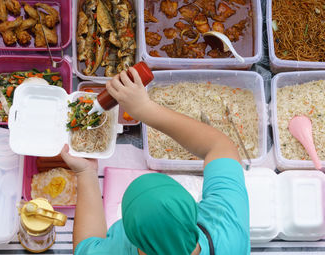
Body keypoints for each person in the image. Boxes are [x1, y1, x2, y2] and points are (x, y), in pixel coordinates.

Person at [60, 67, 250, 255]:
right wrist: (145, 109)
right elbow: (220, 147)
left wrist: (86, 173)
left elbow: (84, 246)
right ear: (191, 213)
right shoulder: (229, 232)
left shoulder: (119, 249)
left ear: (136, 242)